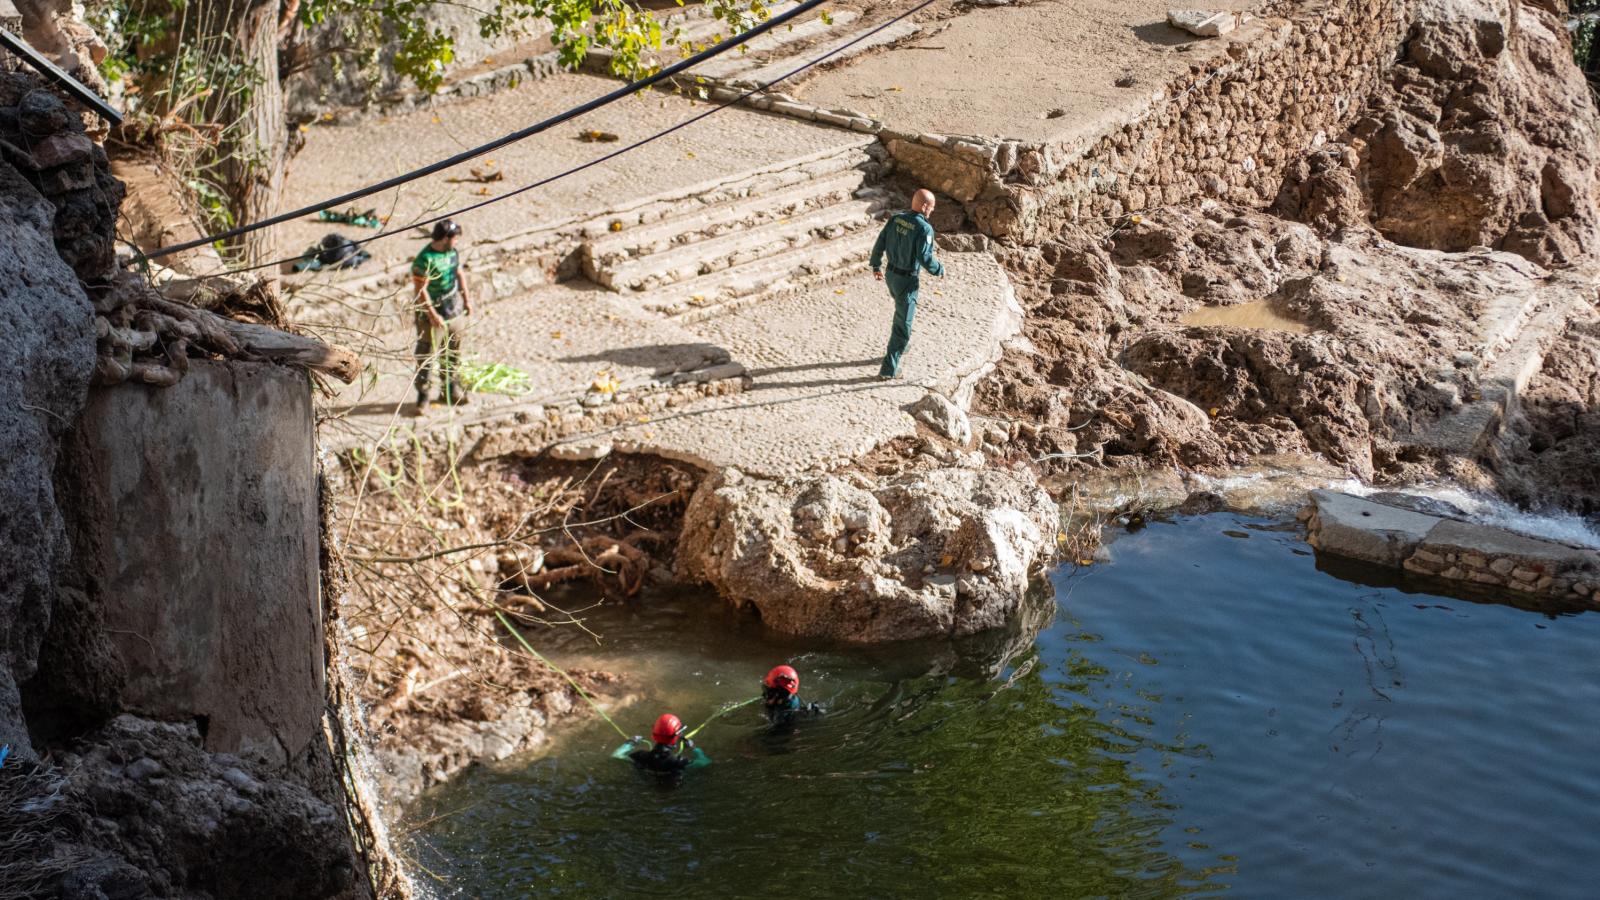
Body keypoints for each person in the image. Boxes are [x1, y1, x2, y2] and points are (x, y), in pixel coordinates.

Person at [868, 189, 945, 380]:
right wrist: (939, 269)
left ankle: (902, 344)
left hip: (891, 276)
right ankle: (889, 369)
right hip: (907, 280)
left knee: (900, 312)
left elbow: (881, 242)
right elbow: (925, 258)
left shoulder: (896, 219)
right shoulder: (924, 229)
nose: (932, 211)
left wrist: (876, 264)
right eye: (932, 208)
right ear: (925, 206)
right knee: (902, 324)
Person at [409, 219, 473, 414]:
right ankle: (424, 394)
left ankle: (450, 388)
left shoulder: (452, 252)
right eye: (455, 238)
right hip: (431, 314)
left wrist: (467, 298)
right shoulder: (424, 260)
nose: (457, 242)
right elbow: (421, 290)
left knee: (453, 350)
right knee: (426, 354)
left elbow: (459, 273)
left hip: (453, 308)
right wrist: (432, 313)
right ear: (445, 238)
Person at [612, 713, 710, 774]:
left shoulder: (640, 756)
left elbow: (616, 755)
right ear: (677, 736)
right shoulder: (679, 762)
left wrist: (630, 743)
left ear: (654, 735)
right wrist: (694, 748)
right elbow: (705, 762)